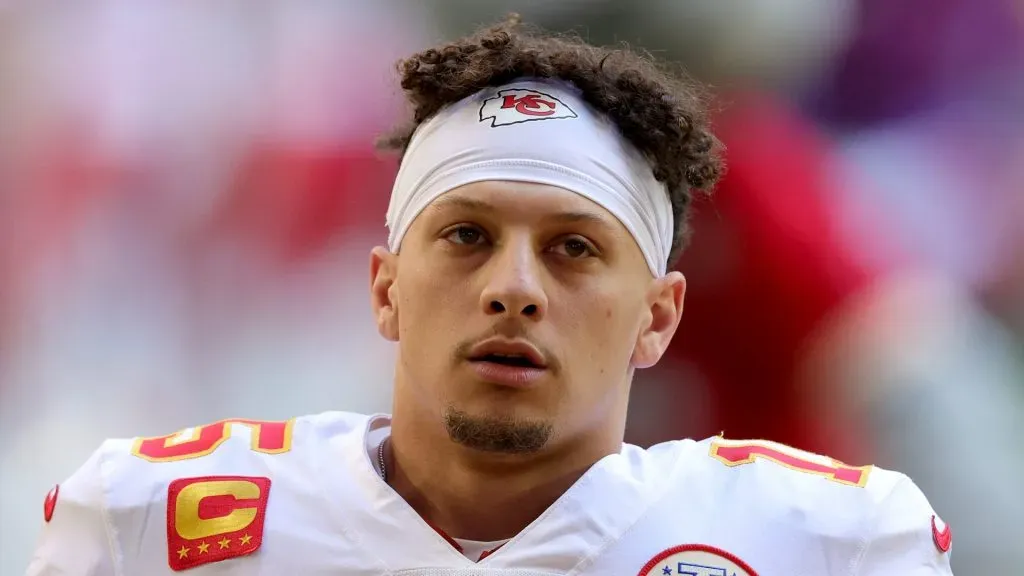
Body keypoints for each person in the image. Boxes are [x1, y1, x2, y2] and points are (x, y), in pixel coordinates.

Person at [25, 15, 955, 576]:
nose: (514, 289)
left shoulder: (830, 545)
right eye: (467, 235)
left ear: (658, 315)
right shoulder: (150, 519)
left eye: (574, 249)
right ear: (385, 287)